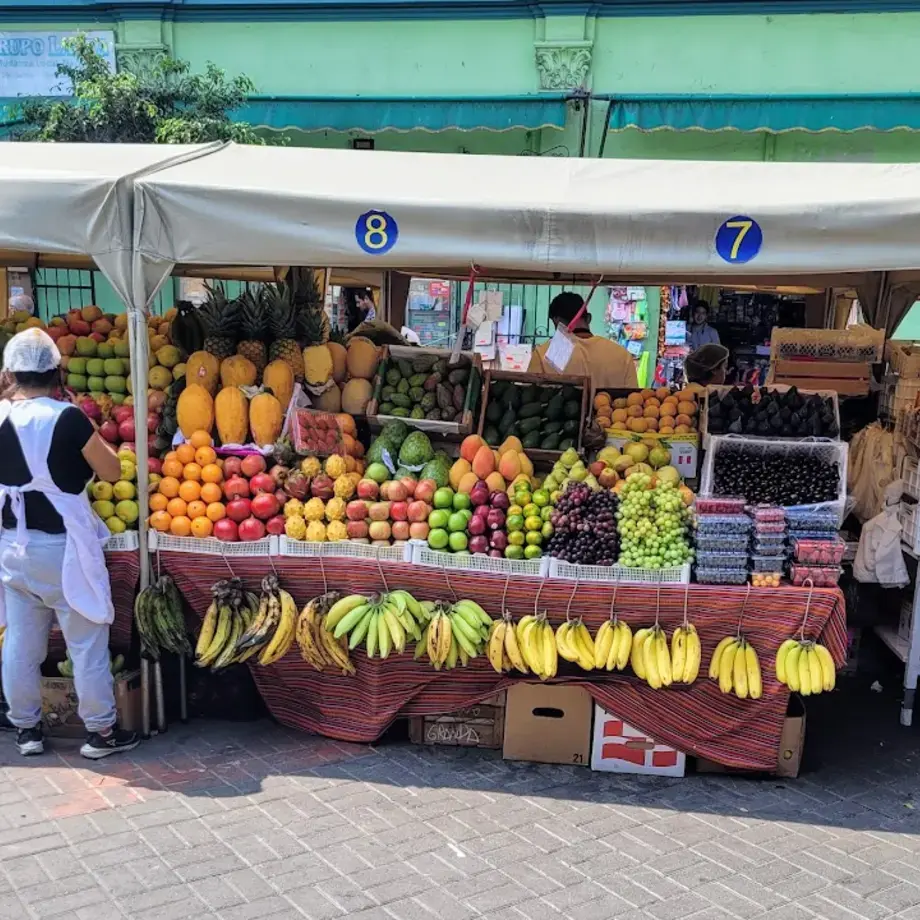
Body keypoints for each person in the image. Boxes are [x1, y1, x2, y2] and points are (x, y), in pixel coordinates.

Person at [0, 329, 139, 759]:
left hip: (11, 547)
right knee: (85, 642)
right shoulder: (68, 417)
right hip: (63, 550)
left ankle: (26, 730)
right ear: (57, 372)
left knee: (21, 641)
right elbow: (112, 471)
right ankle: (100, 733)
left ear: (9, 373)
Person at [529, 292, 638, 389]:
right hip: (608, 411)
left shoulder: (542, 354)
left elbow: (529, 397)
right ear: (589, 318)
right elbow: (632, 399)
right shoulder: (622, 355)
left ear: (557, 322)